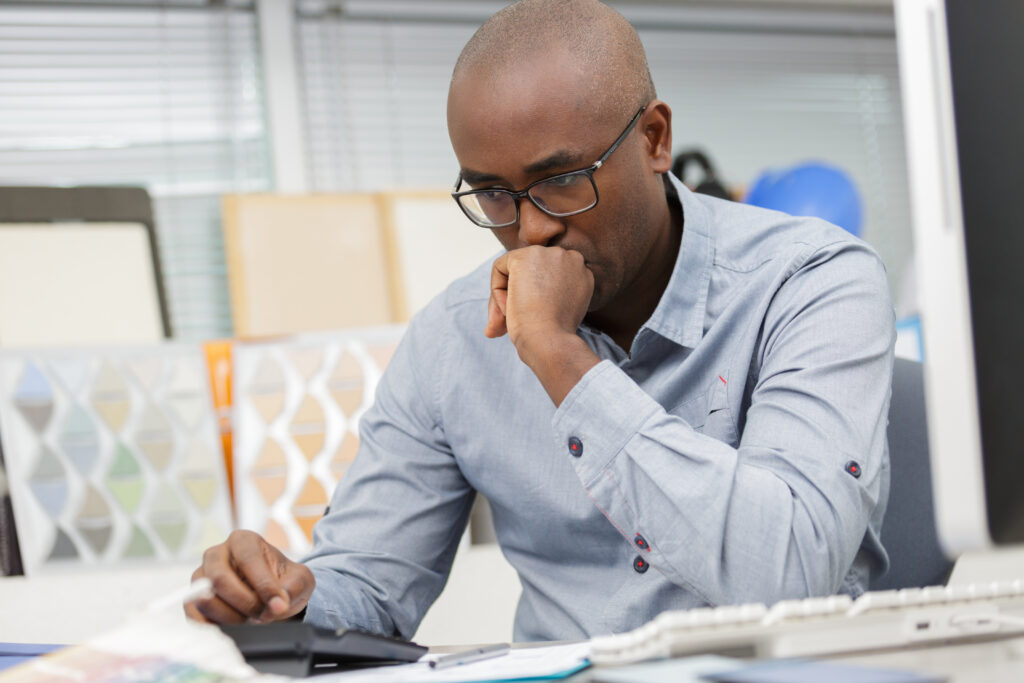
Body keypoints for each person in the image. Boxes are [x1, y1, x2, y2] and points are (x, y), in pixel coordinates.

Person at [188, 0, 895, 642]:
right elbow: (370, 583)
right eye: (493, 193)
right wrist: (287, 600)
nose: (529, 230)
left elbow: (790, 569)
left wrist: (561, 359)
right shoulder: (454, 339)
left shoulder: (812, 281)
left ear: (654, 139)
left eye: (562, 180)